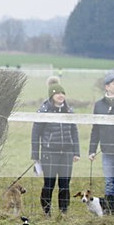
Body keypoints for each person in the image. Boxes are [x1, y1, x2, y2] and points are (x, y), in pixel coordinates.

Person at [31, 78, 80, 217]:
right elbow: (35, 134)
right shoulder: (44, 111)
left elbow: (74, 131)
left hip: (67, 153)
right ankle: (47, 211)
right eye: (57, 93)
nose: (61, 96)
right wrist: (35, 156)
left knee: (65, 184)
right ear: (51, 95)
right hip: (49, 153)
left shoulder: (69, 111)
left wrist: (76, 152)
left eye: (62, 93)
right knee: (49, 184)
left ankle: (63, 212)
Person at [88, 68, 114, 215]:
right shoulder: (99, 105)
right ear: (107, 86)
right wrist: (92, 150)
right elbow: (95, 129)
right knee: (109, 183)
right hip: (107, 150)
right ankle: (110, 213)